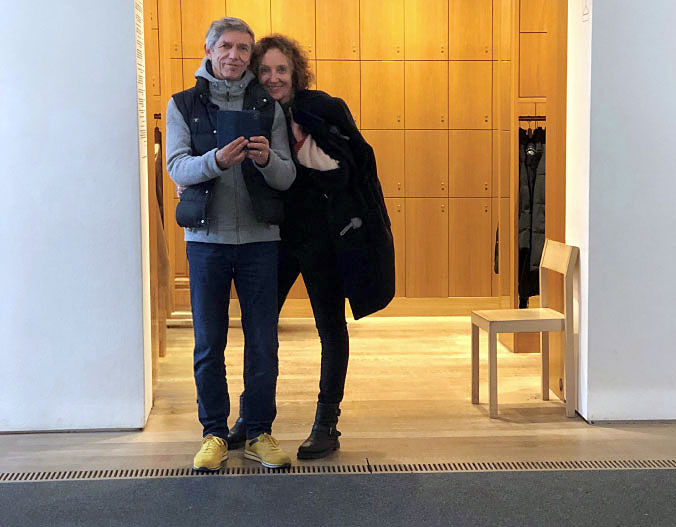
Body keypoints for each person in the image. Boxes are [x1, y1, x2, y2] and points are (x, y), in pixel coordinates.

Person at [226, 35, 395, 459]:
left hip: (324, 240)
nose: (274, 78)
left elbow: (350, 170)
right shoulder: (252, 114)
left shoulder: (321, 109)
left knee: (330, 329)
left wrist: (303, 148)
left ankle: (326, 424)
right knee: (259, 327)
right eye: (265, 70)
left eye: (281, 70)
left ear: (296, 72)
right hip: (274, 238)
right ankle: (252, 416)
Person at [166, 18, 296, 471]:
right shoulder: (183, 104)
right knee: (209, 343)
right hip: (206, 242)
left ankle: (258, 431)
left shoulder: (267, 106)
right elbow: (177, 167)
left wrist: (266, 160)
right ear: (208, 50)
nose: (234, 55)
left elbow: (287, 175)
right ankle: (214, 434)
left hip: (261, 241)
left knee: (262, 342)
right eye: (225, 46)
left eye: (243, 48)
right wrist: (217, 160)